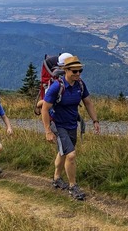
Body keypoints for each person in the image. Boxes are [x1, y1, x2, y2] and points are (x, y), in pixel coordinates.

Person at [41, 55, 100, 200]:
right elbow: (44, 109)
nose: (78, 74)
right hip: (58, 125)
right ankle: (73, 187)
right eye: (74, 71)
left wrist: (95, 121)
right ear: (65, 70)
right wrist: (48, 131)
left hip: (72, 124)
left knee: (63, 152)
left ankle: (56, 179)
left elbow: (88, 103)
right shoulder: (57, 87)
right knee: (71, 155)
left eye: (80, 71)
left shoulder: (80, 85)